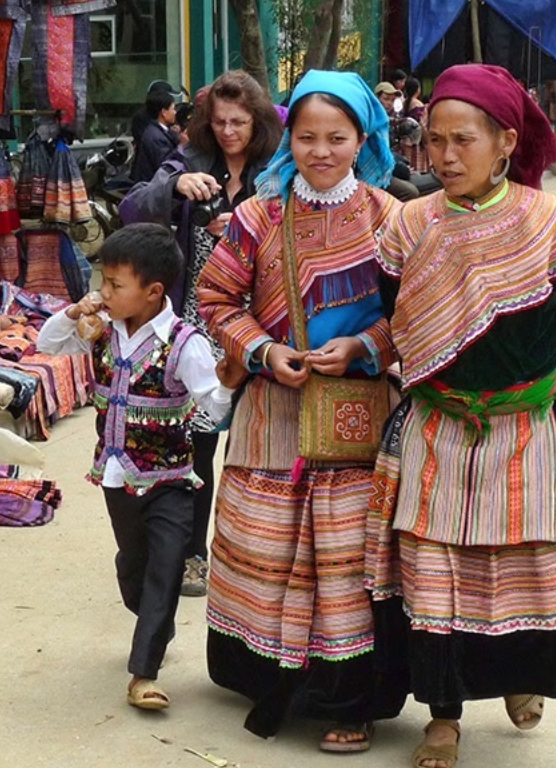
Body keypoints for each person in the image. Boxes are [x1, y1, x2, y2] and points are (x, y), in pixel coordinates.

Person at [364, 63, 556, 768]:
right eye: (433, 140)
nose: (443, 156)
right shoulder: (409, 226)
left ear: (505, 141)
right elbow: (395, 316)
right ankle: (442, 716)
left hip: (521, 430)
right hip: (436, 427)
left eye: (462, 140)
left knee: (521, 567)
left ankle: (520, 677)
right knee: (434, 573)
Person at [196, 69, 408, 751]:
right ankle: (261, 673)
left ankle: (348, 698)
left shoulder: (392, 218)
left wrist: (365, 345)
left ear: (363, 138)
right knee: (268, 544)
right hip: (272, 416)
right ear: (288, 137)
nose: (321, 151)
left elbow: (417, 314)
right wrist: (261, 352)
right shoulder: (258, 217)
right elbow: (216, 300)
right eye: (308, 137)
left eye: (337, 137)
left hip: (356, 419)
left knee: (348, 559)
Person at [36, 223, 235, 711]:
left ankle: (143, 674)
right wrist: (72, 311)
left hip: (170, 480)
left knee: (166, 568)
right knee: (135, 566)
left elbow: (214, 403)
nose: (103, 293)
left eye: (114, 286)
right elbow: (49, 343)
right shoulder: (99, 330)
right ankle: (154, 618)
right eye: (102, 283)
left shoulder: (184, 343)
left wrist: (227, 384)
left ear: (152, 292)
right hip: (115, 477)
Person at [120, 70, 282, 597]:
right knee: (199, 445)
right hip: (201, 320)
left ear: (258, 123)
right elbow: (131, 204)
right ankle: (191, 555)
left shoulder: (278, 171)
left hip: (266, 322)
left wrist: (245, 225)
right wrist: (174, 188)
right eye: (220, 122)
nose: (230, 130)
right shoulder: (190, 161)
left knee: (264, 444)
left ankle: (261, 560)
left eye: (240, 121)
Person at [131, 90, 180, 183]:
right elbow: (167, 167)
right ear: (164, 112)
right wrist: (182, 145)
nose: (175, 112)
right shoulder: (156, 137)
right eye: (173, 109)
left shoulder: (160, 131)